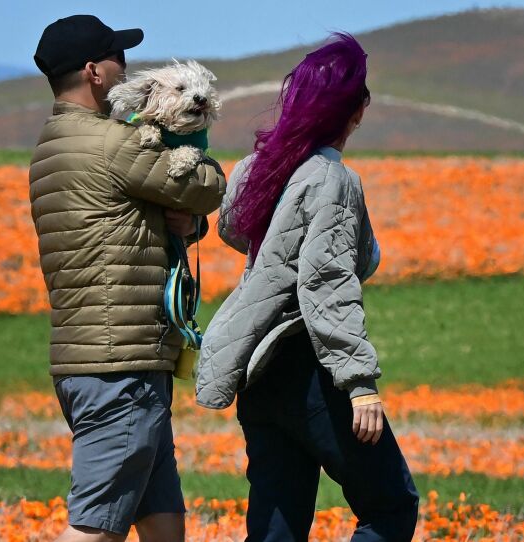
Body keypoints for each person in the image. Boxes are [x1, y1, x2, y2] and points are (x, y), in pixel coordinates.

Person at [195, 33, 419, 541]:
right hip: (309, 368)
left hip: (258, 370)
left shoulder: (258, 166)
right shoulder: (332, 180)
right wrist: (360, 385)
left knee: (277, 526)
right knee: (390, 507)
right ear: (357, 110)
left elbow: (234, 228)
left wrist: (276, 263)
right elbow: (328, 283)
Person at [28, 15, 226, 542]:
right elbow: (202, 186)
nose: (127, 68)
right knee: (96, 525)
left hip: (93, 359)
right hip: (121, 365)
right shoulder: (113, 143)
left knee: (163, 521)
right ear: (95, 72)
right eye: (118, 57)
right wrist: (200, 199)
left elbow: (137, 213)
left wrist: (182, 223)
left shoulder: (53, 144)